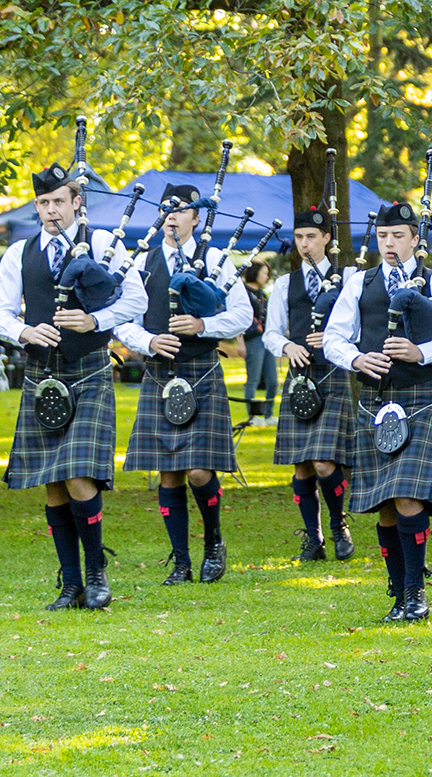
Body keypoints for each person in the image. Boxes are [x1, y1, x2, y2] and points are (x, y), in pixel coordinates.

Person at [0, 164, 148, 610]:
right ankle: (72, 583)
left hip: (90, 369)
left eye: (59, 200)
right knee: (53, 483)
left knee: (79, 475)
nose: (50, 209)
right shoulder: (20, 252)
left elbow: (137, 299)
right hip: (43, 375)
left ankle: (97, 574)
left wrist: (95, 319)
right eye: (43, 202)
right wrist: (23, 332)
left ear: (77, 201)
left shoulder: (104, 244)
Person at [322, 200, 432, 622]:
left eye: (398, 236)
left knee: (410, 497)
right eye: (382, 236)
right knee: (386, 504)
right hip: (375, 401)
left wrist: (423, 352)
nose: (389, 243)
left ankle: (415, 594)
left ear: (415, 239)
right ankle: (399, 591)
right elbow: (334, 338)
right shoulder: (359, 282)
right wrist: (356, 359)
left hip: (419, 398)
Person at [115, 184, 256, 587]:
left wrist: (202, 325)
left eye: (181, 210)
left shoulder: (214, 258)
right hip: (160, 374)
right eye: (166, 209)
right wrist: (148, 342)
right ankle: (180, 560)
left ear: (197, 217)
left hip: (202, 369)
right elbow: (123, 318)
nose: (172, 216)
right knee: (168, 475)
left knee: (197, 472)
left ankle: (213, 541)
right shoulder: (142, 260)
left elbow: (242, 315)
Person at [264, 206, 357, 562]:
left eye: (312, 238)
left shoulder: (349, 277)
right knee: (302, 465)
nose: (305, 244)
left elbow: (361, 325)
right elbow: (271, 333)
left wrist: (336, 341)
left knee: (324, 464)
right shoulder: (285, 284)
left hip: (333, 375)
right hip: (300, 379)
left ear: (327, 239)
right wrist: (287, 346)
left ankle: (338, 524)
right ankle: (313, 538)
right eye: (300, 238)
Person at [241, 260, 276, 426]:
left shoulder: (263, 294)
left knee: (273, 380)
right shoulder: (242, 291)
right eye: (264, 273)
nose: (267, 277)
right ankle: (253, 416)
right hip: (252, 339)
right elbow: (238, 319)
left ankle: (268, 415)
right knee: (253, 379)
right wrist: (240, 342)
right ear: (254, 273)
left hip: (267, 339)